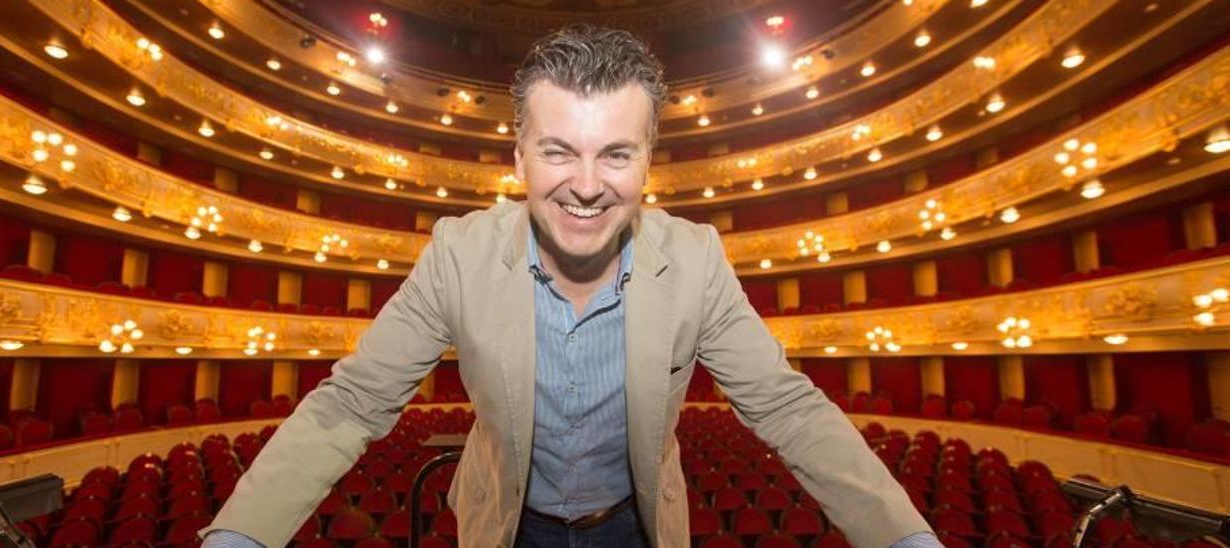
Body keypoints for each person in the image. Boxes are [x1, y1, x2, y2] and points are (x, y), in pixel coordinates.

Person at [200, 24, 941, 548]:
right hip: (503, 525)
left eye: (616, 153)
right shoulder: (458, 253)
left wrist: (905, 538)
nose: (587, 187)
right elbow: (353, 401)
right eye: (559, 151)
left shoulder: (697, 259)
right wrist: (237, 538)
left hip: (636, 526)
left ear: (651, 159)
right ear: (519, 153)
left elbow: (787, 407)